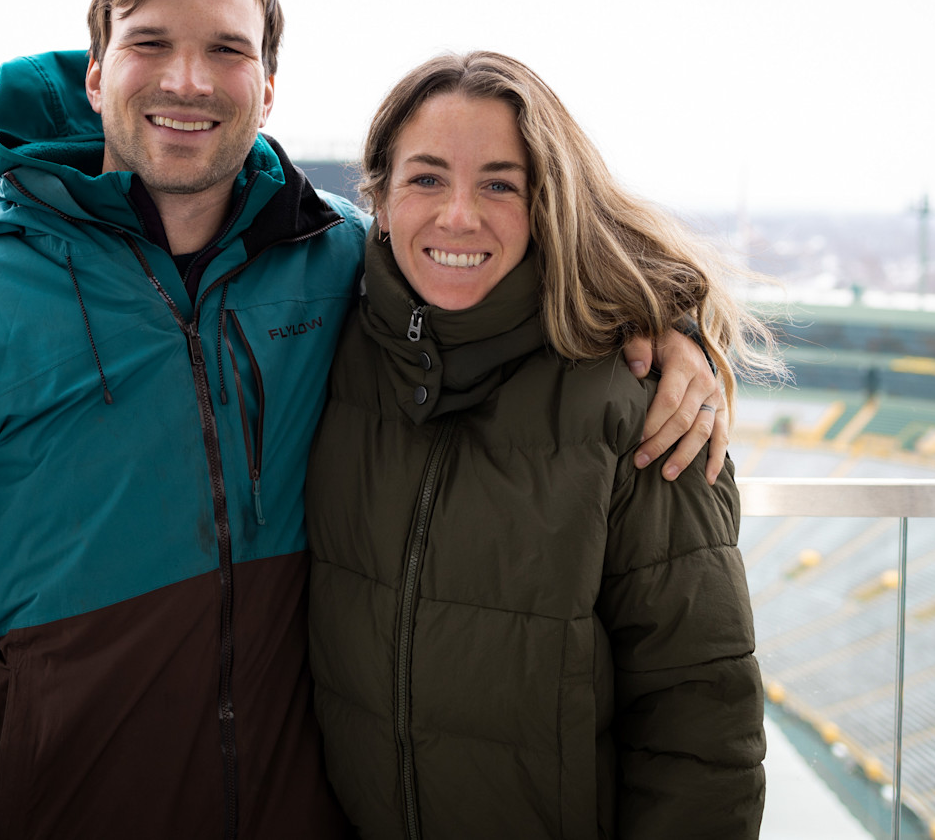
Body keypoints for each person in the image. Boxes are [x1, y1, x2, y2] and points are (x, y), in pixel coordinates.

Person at [0, 0, 725, 839]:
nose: (187, 79)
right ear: (95, 74)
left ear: (267, 89)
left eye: (227, 50)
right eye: (149, 43)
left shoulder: (338, 258)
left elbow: (503, 264)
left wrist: (674, 323)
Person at [306, 51, 774, 838]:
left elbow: (702, 725)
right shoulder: (326, 345)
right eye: (425, 178)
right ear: (377, 201)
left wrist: (675, 320)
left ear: (545, 203)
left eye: (499, 183)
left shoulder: (637, 400)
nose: (458, 215)